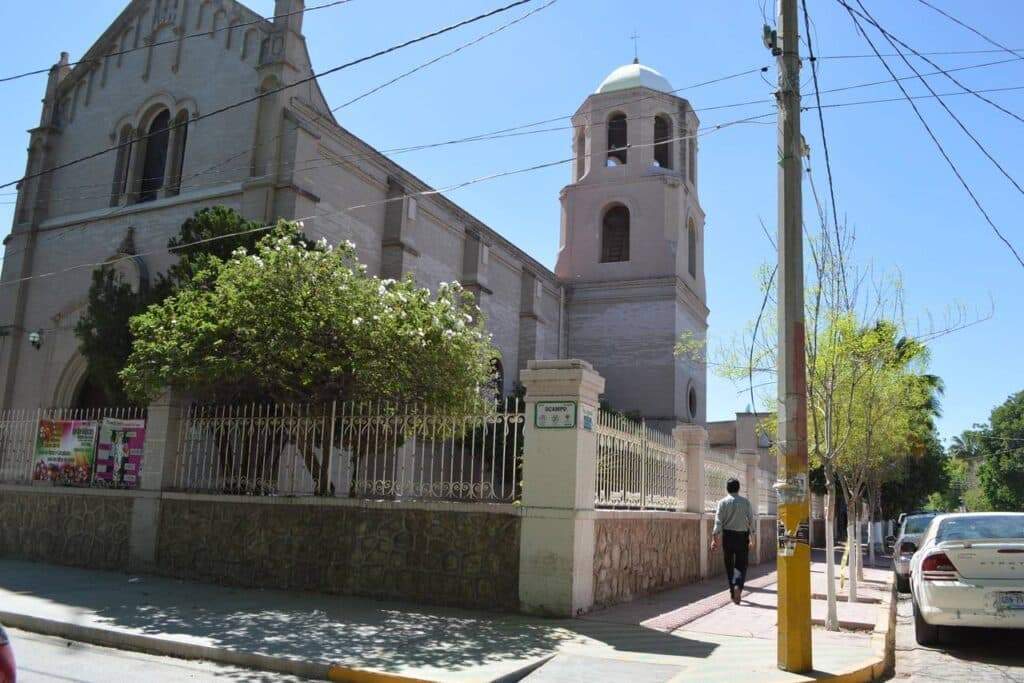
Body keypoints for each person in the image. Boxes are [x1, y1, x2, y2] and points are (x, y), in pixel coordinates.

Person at [710, 477, 755, 604]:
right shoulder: (745, 502)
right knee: (741, 565)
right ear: (738, 488)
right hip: (742, 537)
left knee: (729, 566)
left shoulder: (722, 503)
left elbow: (718, 521)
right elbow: (751, 521)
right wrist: (752, 538)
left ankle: (732, 592)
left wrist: (714, 538)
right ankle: (738, 586)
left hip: (728, 537)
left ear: (727, 488)